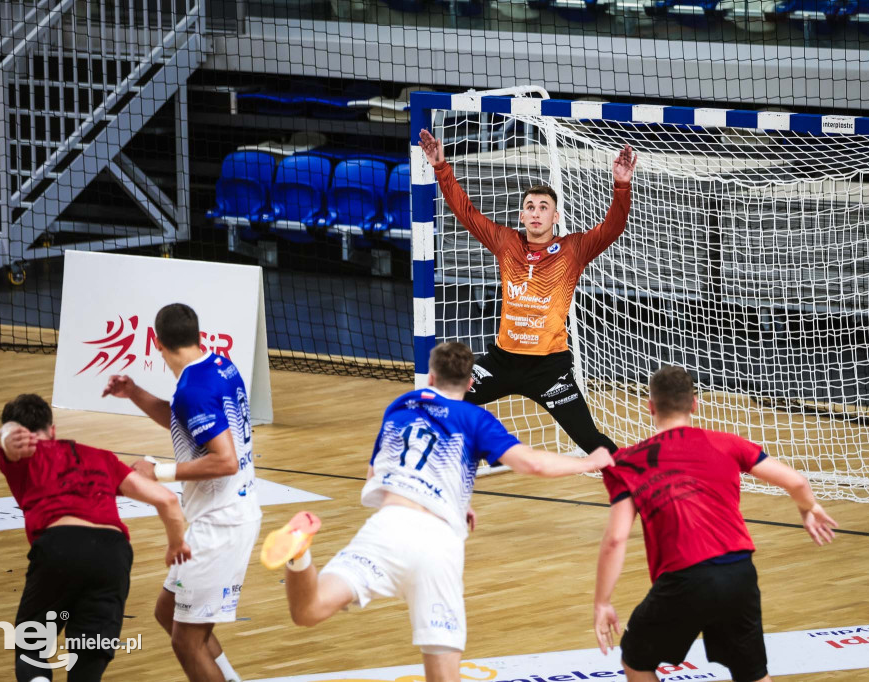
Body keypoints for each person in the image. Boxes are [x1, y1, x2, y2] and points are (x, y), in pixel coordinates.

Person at [261, 341, 615, 682]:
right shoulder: (474, 418)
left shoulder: (401, 406)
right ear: (471, 382)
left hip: (387, 527)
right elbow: (532, 464)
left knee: (308, 611)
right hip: (435, 544)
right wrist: (587, 461)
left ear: (430, 378)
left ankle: (300, 557)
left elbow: (377, 475)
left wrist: (457, 500)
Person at [592, 366, 838, 682]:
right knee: (752, 673)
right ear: (694, 403)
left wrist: (602, 602)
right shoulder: (728, 443)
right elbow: (797, 481)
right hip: (739, 571)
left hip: (685, 578)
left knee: (636, 658)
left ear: (650, 406)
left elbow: (615, 539)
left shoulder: (628, 462)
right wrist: (809, 508)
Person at [418, 129, 638, 456]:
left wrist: (621, 185)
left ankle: (638, 477)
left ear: (555, 216)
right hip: (502, 362)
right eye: (530, 207)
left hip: (547, 368)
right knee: (439, 402)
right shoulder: (506, 242)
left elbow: (613, 228)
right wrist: (441, 168)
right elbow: (467, 213)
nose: (536, 213)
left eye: (543, 207)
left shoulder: (573, 248)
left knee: (591, 442)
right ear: (522, 215)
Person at [102, 303, 260, 682]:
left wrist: (158, 472)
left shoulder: (193, 389)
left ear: (156, 342)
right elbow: (185, 421)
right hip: (225, 516)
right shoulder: (218, 364)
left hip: (221, 525)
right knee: (167, 614)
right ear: (198, 335)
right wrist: (135, 393)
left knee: (187, 641)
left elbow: (226, 461)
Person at [0, 394, 190, 682]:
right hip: (113, 555)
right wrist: (176, 544)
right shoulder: (101, 457)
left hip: (60, 546)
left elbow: (8, 441)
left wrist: (6, 435)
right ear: (53, 429)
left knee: (30, 647)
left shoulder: (23, 455)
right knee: (88, 656)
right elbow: (168, 502)